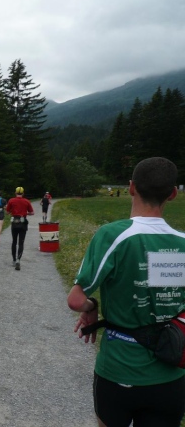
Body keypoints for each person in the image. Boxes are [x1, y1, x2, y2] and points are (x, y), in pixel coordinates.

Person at [67, 157, 185, 427]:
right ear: (173, 194)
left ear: (131, 187)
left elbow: (75, 300)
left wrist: (91, 306)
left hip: (119, 370)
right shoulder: (182, 243)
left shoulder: (113, 235)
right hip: (171, 375)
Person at [5, 186, 34, 271]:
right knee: (21, 243)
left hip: (14, 222)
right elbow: (32, 212)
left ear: (15, 193)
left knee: (14, 242)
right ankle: (18, 259)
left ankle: (14, 260)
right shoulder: (27, 201)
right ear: (23, 193)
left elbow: (7, 212)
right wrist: (26, 213)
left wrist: (12, 211)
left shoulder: (11, 200)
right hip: (23, 223)